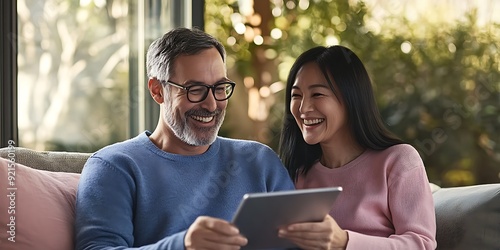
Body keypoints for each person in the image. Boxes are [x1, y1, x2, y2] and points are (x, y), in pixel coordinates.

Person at [74, 27, 295, 250]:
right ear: (157, 90)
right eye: (195, 89)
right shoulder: (114, 167)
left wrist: (330, 241)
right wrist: (183, 245)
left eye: (219, 88)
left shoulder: (260, 161)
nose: (211, 105)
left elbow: (296, 241)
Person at [277, 45, 437, 249]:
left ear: (351, 97)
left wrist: (343, 242)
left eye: (317, 94)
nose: (303, 108)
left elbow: (421, 244)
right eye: (296, 95)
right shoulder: (297, 175)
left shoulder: (398, 160)